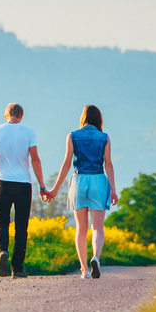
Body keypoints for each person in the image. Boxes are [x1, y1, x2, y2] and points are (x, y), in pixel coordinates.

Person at [45, 105, 118, 279]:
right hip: (98, 180)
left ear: (83, 118)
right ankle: (96, 258)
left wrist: (55, 189)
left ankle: (84, 269)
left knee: (81, 228)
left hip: (79, 180)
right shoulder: (104, 137)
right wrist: (113, 190)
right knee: (97, 228)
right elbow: (108, 164)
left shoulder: (72, 136)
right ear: (99, 119)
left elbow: (66, 163)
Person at [0, 102, 47, 278]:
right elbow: (35, 160)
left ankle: (2, 251)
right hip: (23, 184)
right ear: (21, 116)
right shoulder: (29, 132)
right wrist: (42, 186)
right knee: (22, 226)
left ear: (6, 115)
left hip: (2, 182)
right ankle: (17, 268)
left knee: (1, 221)